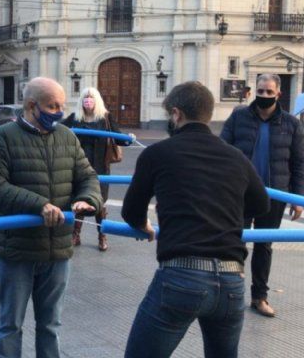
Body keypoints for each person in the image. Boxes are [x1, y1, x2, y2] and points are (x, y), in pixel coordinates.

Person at [122, 81, 270, 357]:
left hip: (182, 275)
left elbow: (131, 211)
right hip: (232, 279)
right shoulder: (235, 156)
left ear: (176, 114)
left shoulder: (157, 154)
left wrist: (143, 225)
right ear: (208, 115)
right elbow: (261, 204)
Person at [0, 77, 102, 358]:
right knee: (11, 324)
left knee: (50, 325)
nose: (58, 111)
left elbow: (88, 176)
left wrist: (88, 199)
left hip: (57, 252)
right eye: (52, 106)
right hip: (16, 252)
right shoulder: (2, 136)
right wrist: (39, 205)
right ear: (32, 106)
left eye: (61, 105)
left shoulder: (67, 137)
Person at [220, 73, 304, 317]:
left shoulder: (291, 123)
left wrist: (297, 197)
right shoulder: (238, 118)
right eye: (260, 91)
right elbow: (223, 152)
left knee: (264, 246)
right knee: (236, 243)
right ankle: (230, 295)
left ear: (278, 94)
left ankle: (260, 297)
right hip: (241, 192)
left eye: (269, 92)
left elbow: (299, 163)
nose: (264, 96)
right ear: (254, 90)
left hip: (274, 194)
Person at [62, 87, 133, 251]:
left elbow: (119, 137)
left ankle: (102, 236)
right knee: (80, 199)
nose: (88, 101)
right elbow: (58, 129)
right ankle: (76, 235)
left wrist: (129, 139)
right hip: (79, 166)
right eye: (85, 98)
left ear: (97, 100)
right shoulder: (75, 118)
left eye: (91, 98)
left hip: (100, 166)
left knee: (99, 203)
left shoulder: (105, 118)